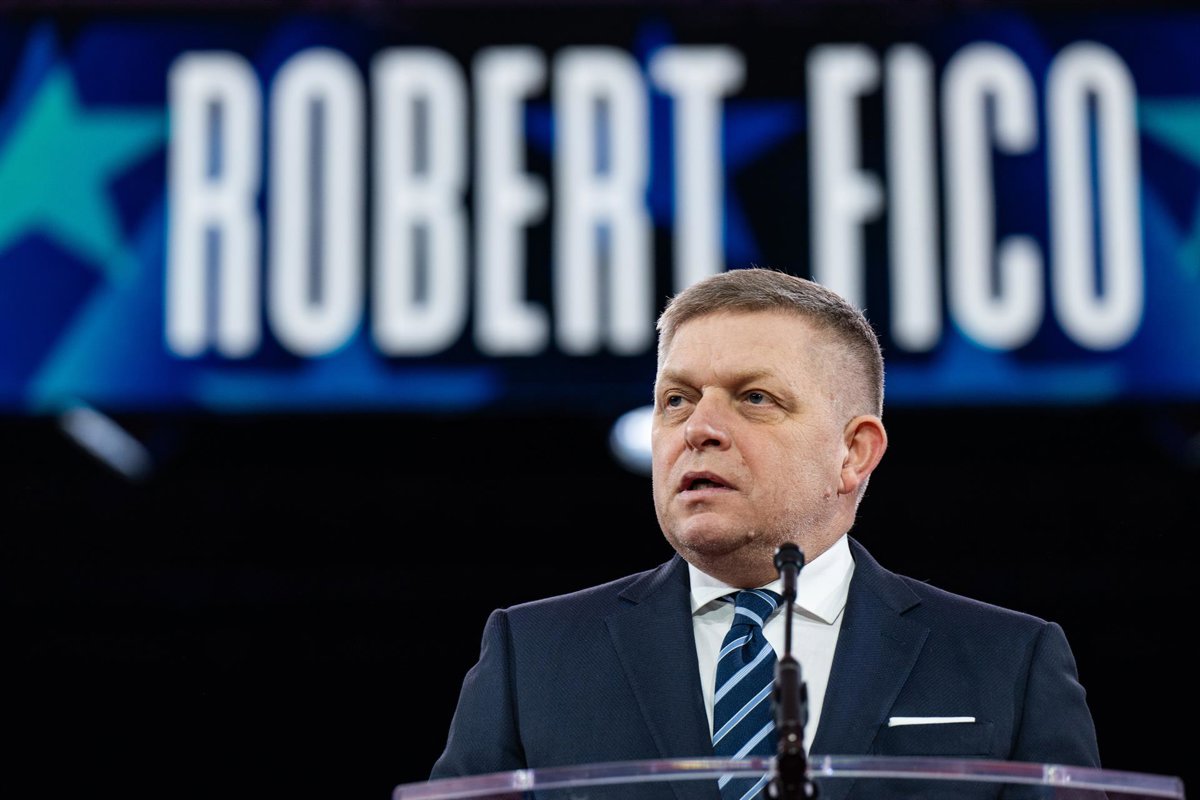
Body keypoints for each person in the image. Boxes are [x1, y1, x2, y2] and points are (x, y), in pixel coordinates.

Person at [429, 267, 1100, 799]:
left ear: (854, 453)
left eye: (755, 398)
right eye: (676, 400)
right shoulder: (532, 658)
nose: (699, 429)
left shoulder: (1008, 663)